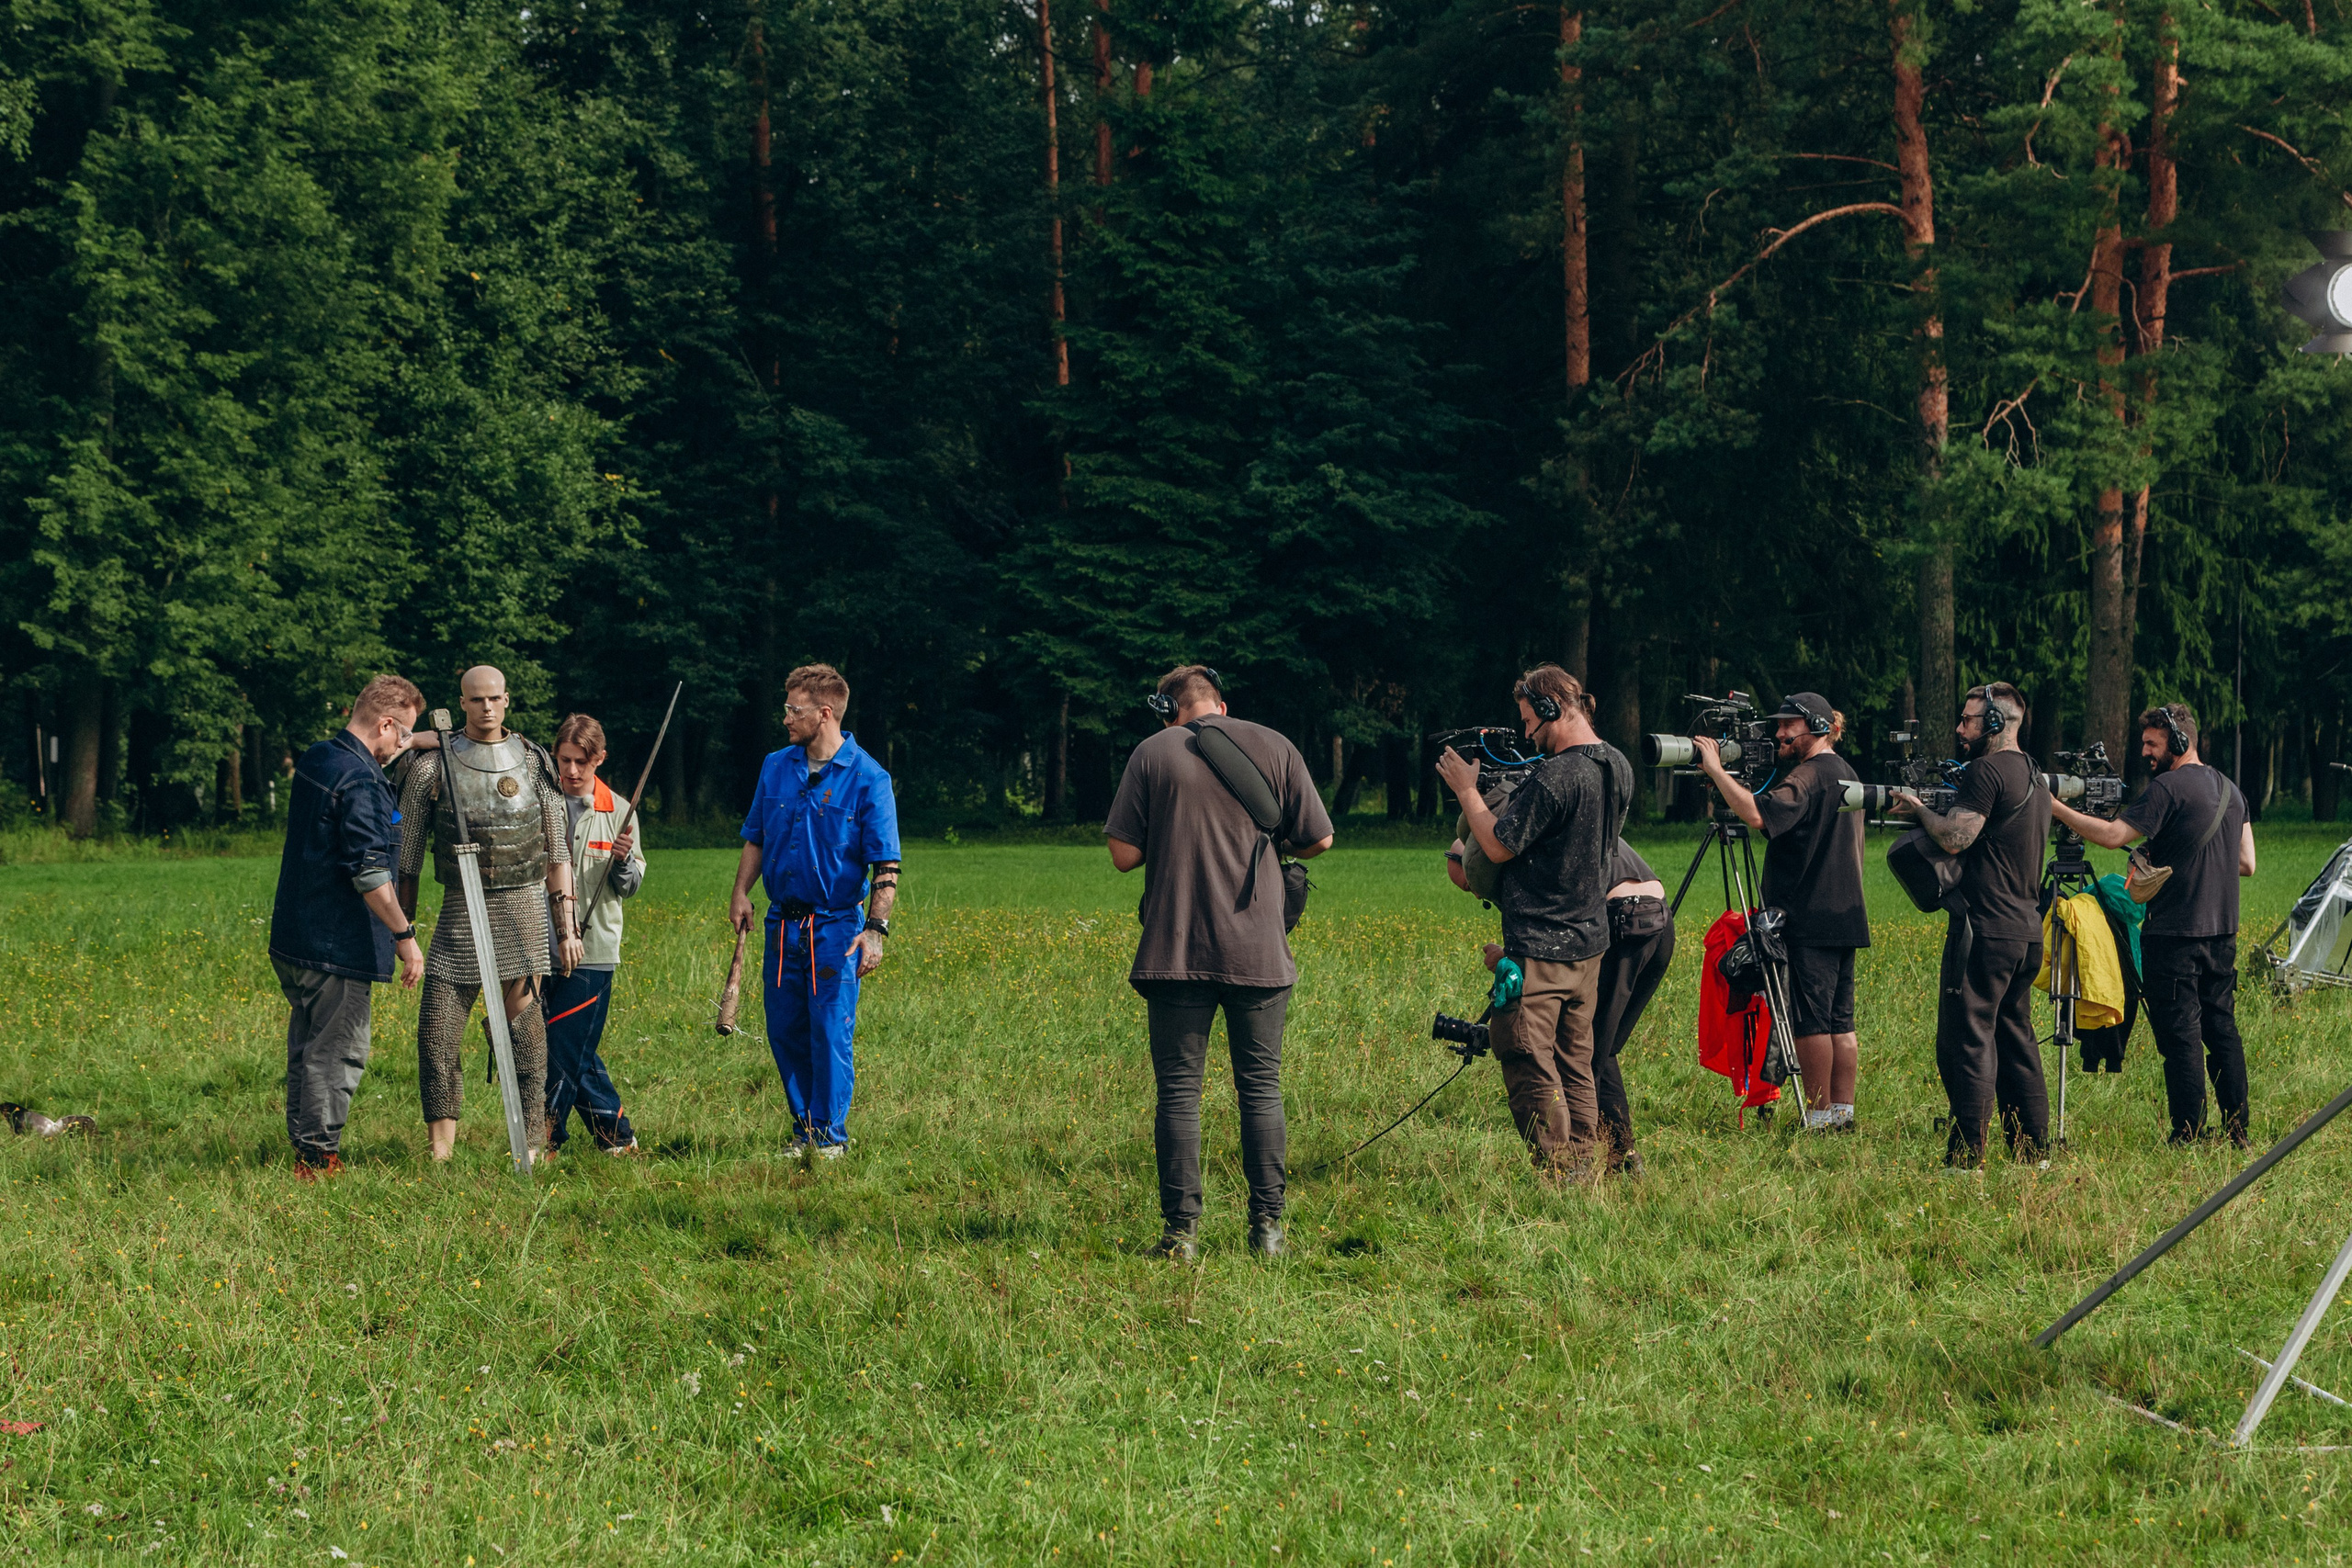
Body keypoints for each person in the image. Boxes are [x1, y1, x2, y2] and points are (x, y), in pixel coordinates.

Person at [1106, 665, 1333, 1260]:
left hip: (1175, 946)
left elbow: (1123, 853)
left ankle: (1181, 1234)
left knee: (1179, 1091)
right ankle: (1268, 1229)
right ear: (1221, 706)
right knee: (1260, 1087)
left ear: (1168, 708)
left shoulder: (1152, 753)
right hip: (1257, 946)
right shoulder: (1277, 746)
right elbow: (1319, 840)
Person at [1436, 664, 1633, 1182]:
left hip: (1540, 948)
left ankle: (1559, 1176)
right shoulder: (1617, 765)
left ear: (1550, 708)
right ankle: (1585, 1170)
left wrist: (1466, 790)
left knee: (1527, 1059)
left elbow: (1498, 845)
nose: (1526, 733)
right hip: (1590, 945)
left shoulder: (1557, 775)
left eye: (1529, 720)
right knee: (1575, 1065)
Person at [396, 666, 582, 1163]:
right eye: (477, 700)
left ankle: (532, 1145)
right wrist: (403, 929)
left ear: (507, 700)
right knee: (436, 1032)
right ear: (462, 703)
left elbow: (557, 851)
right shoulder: (434, 767)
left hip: (521, 911)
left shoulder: (532, 760)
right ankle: (440, 1151)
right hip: (461, 913)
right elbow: (408, 857)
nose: (486, 708)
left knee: (526, 1035)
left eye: (494, 698)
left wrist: (566, 925)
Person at [2050, 702, 2256, 1145]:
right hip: (2223, 931)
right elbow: (2247, 863)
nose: (2145, 751)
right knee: (2221, 1029)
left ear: (2179, 742)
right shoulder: (2231, 791)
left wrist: (2055, 807)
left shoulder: (2168, 788)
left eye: (2152, 743)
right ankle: (2238, 1131)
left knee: (2180, 1035)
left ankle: (2188, 1133)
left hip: (2174, 933)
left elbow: (2111, 836)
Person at [729, 664, 901, 1158]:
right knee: (786, 1030)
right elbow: (756, 836)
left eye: (793, 709)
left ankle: (830, 1137)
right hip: (782, 922)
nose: (785, 717)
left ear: (824, 713)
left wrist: (875, 930)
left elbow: (886, 864)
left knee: (829, 1030)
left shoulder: (869, 778)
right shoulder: (775, 766)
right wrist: (741, 892)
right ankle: (803, 1128)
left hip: (836, 926)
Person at [266, 674, 427, 1179]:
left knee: (309, 1045)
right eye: (400, 735)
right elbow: (371, 873)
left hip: (294, 936)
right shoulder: (361, 782)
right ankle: (317, 1157)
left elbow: (383, 745)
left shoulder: (319, 757)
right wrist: (405, 937)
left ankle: (304, 1145)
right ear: (383, 724)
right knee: (338, 1051)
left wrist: (418, 739)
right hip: (337, 942)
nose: (401, 746)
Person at [1691, 693, 1871, 1132]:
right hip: (1846, 915)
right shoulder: (1845, 772)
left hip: (1809, 917)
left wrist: (1715, 769)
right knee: (1840, 1022)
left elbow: (1757, 815)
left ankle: (1818, 1117)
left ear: (1813, 726)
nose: (1778, 735)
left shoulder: (1809, 775)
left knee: (1811, 1023)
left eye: (1787, 726)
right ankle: (1841, 1114)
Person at [1894, 682, 2050, 1168]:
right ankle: (2034, 1154)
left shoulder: (1986, 770)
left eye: (1968, 719)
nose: (1961, 728)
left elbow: (1957, 837)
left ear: (1996, 723)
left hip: (1985, 930)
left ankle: (1966, 1159)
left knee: (1968, 1039)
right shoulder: (2036, 775)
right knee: (2016, 1037)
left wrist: (1919, 810)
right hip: (2026, 932)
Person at [1448, 835, 1668, 1173]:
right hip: (1658, 922)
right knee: (1600, 1047)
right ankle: (1620, 1157)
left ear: (1482, 859)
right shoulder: (1538, 828)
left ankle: (1581, 1164)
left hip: (1618, 920)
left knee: (1578, 1049)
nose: (1479, 894)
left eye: (1473, 885)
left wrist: (1511, 956)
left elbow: (1545, 940)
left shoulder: (1515, 848)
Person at [541, 714, 648, 1156]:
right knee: (557, 1044)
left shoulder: (621, 811)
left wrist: (623, 861)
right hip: (536, 942)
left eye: (582, 762)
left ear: (599, 759)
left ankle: (546, 1136)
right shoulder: (539, 802)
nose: (571, 771)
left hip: (595, 949)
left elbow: (633, 884)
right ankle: (617, 1136)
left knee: (563, 1047)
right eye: (564, 760)